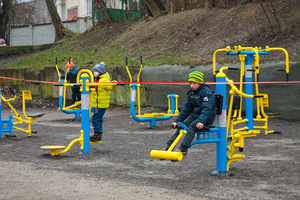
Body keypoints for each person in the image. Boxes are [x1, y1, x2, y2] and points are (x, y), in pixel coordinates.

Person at [165, 71, 217, 159]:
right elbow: (186, 109)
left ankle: (183, 149)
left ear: (200, 83)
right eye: (190, 83)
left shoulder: (206, 92)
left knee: (192, 126)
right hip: (196, 115)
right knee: (182, 125)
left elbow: (206, 109)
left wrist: (201, 122)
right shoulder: (192, 93)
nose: (192, 86)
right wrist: (177, 121)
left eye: (194, 83)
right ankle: (169, 147)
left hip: (206, 117)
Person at [90, 62, 117, 142]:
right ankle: (98, 133)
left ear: (101, 72)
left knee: (95, 119)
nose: (94, 73)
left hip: (100, 104)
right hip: (97, 104)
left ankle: (97, 134)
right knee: (98, 118)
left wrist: (113, 84)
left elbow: (109, 86)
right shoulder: (97, 80)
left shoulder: (104, 80)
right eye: (94, 71)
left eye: (96, 71)